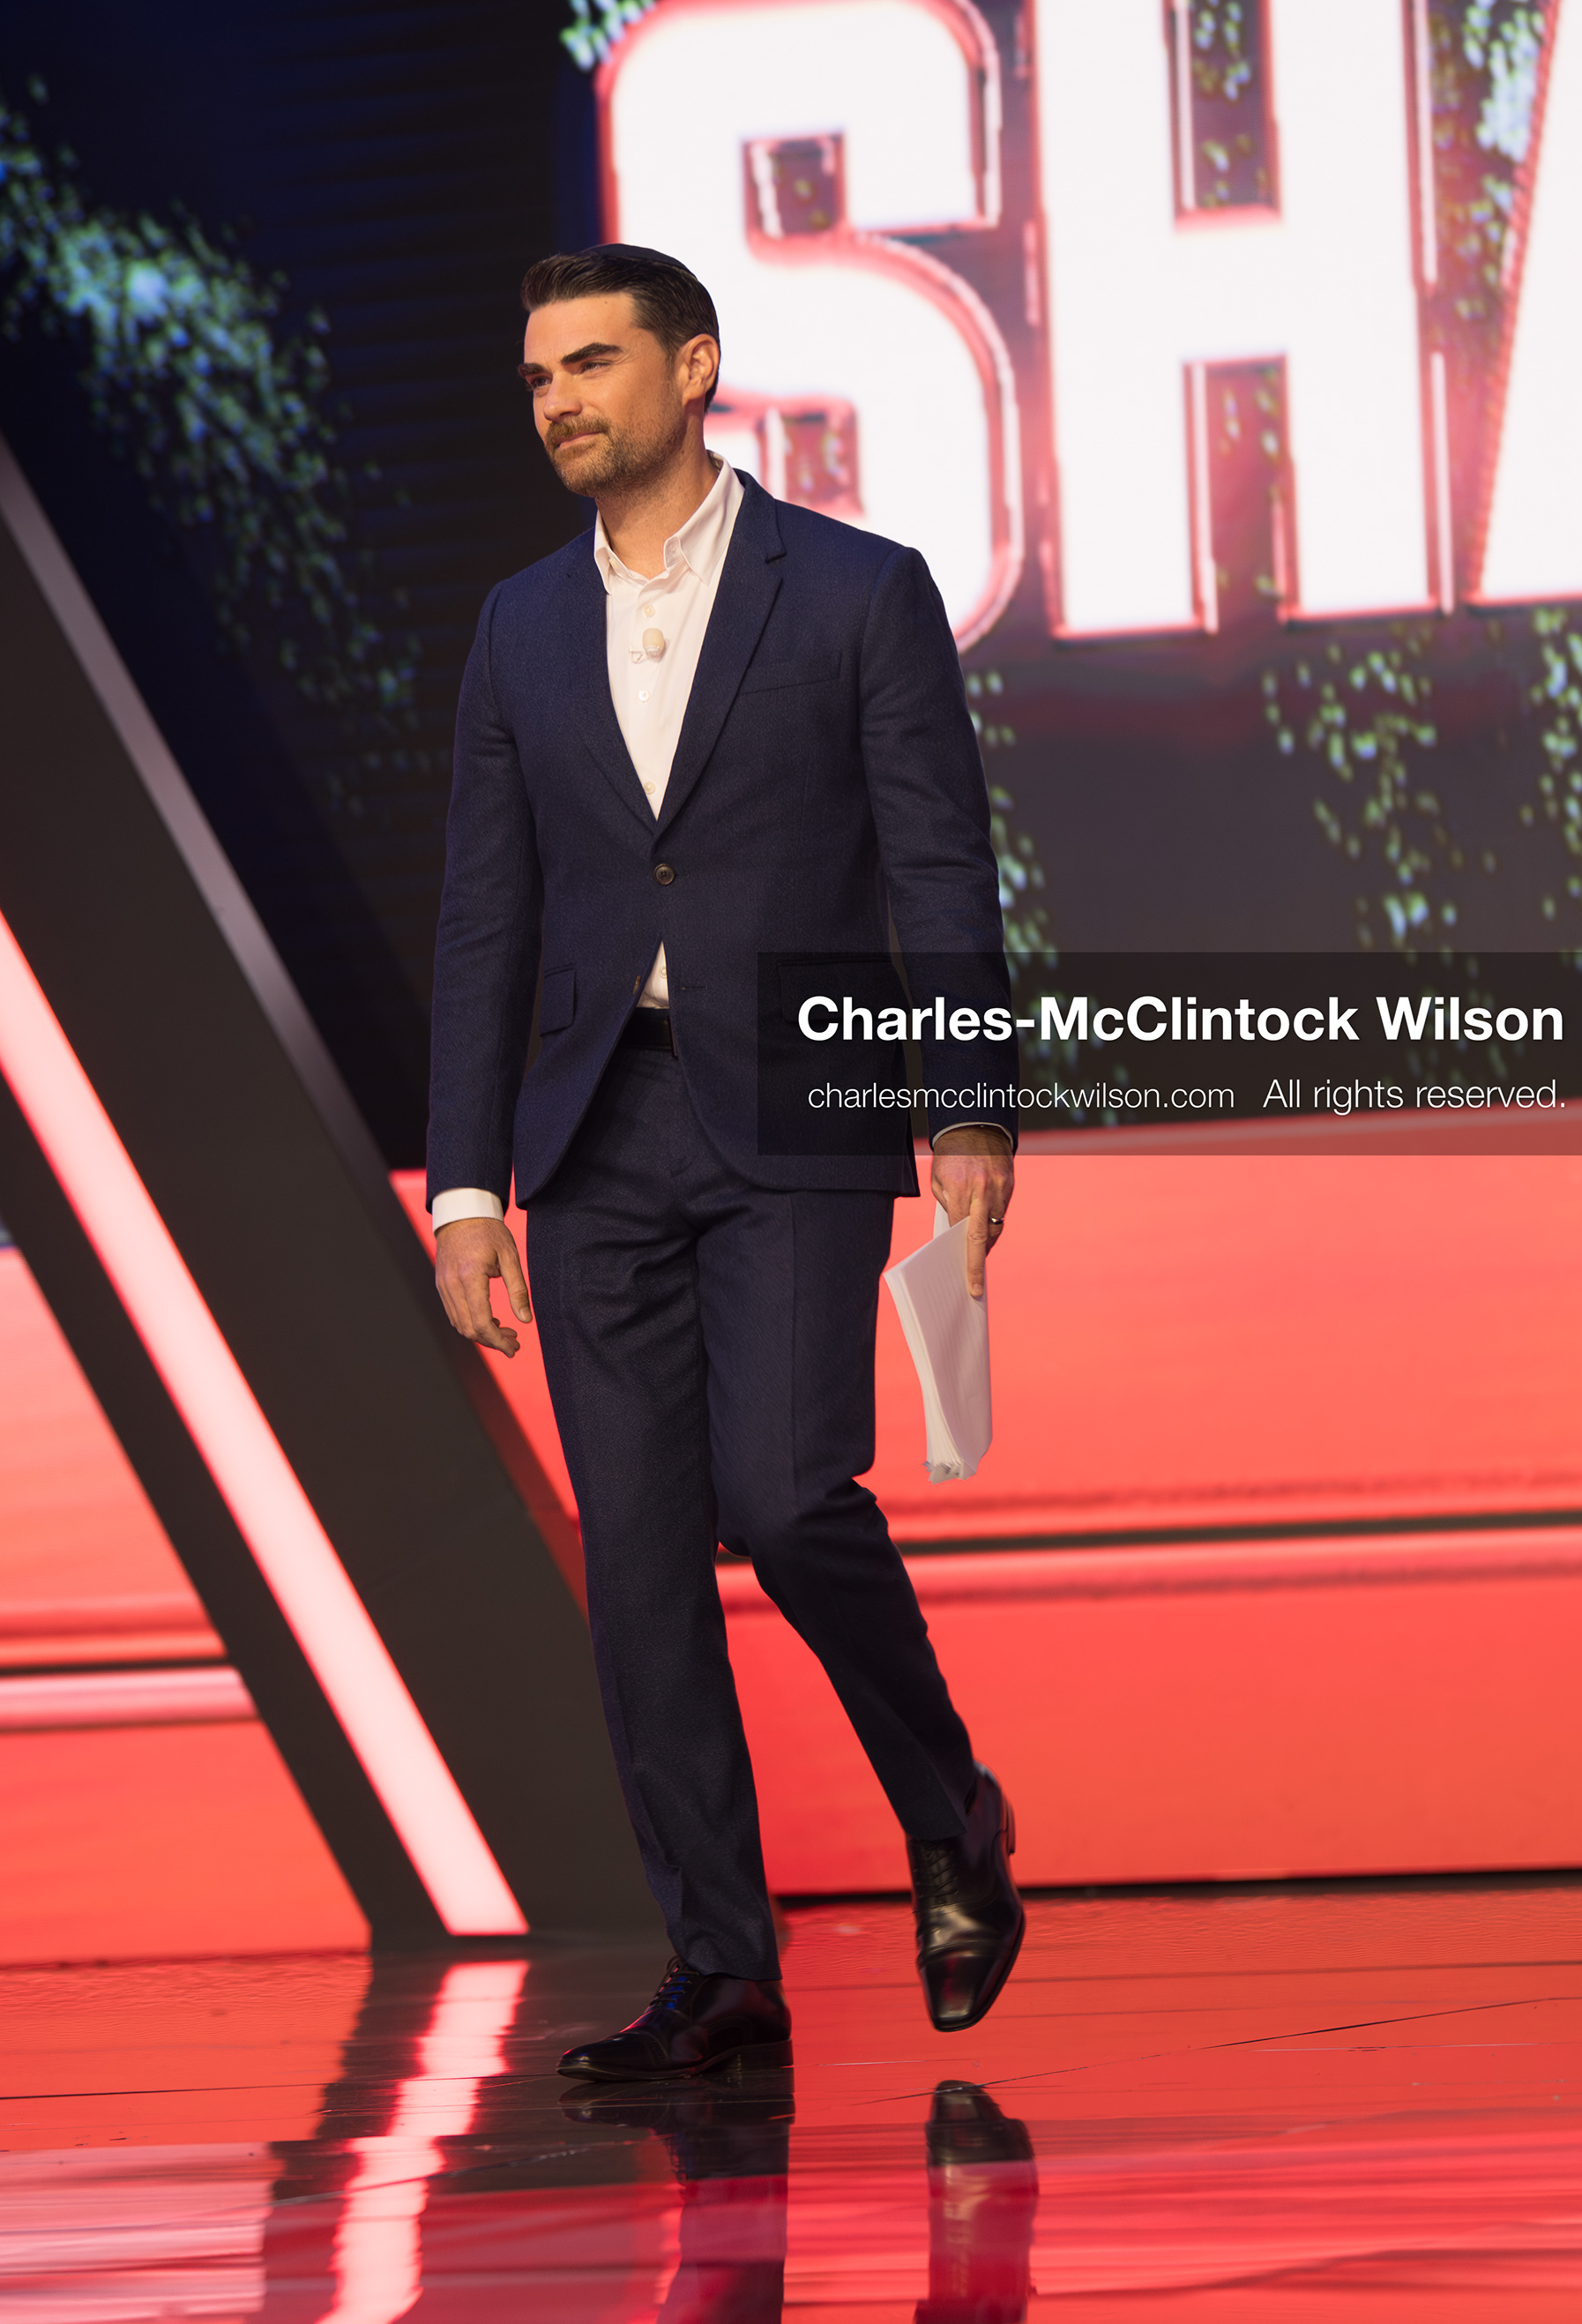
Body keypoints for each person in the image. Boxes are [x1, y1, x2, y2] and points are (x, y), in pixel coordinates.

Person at [428, 243, 1023, 2080]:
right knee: (639, 1567)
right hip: (595, 1134)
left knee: (785, 1495)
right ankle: (723, 1968)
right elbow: (484, 920)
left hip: (800, 1111)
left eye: (592, 364)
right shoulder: (521, 628)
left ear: (696, 370)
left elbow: (937, 864)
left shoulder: (855, 592)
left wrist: (970, 1098)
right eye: (537, 377)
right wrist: (463, 1186)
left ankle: (951, 1813)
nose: (559, 403)